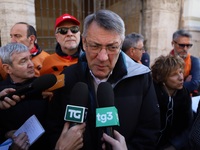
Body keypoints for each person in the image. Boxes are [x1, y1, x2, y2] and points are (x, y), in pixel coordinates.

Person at [46, 9, 160, 149]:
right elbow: (53, 126)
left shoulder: (141, 78)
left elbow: (149, 132)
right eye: (95, 46)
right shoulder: (67, 77)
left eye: (112, 47)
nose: (103, 57)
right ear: (84, 42)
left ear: (121, 44)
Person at [0, 43, 48, 149]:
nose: (31, 64)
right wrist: (6, 134)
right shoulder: (1, 94)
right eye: (23, 61)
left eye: (30, 58)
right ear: (8, 68)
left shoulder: (44, 86)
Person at [151, 55, 193, 150]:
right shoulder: (152, 94)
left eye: (181, 72)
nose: (181, 78)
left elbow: (188, 126)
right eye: (174, 74)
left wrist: (174, 146)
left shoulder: (184, 94)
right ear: (161, 78)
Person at [170, 29, 200, 96]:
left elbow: (194, 84)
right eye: (181, 45)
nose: (185, 49)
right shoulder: (165, 61)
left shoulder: (194, 61)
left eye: (188, 45)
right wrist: (185, 82)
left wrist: (171, 87)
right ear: (173, 43)